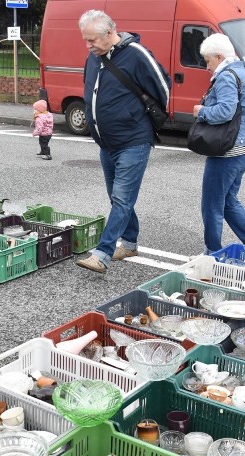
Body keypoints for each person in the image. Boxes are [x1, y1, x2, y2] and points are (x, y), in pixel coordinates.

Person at [75, 10, 170, 274]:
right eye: (86, 40)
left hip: (134, 140)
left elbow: (163, 86)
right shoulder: (93, 57)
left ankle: (102, 254)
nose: (88, 45)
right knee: (118, 198)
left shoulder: (136, 54)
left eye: (92, 40)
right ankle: (129, 244)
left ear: (109, 33)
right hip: (107, 143)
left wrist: (138, 118)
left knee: (121, 198)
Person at [192, 34, 245, 255]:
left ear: (219, 56)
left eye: (208, 60)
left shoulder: (226, 76)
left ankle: (212, 252)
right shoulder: (244, 74)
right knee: (227, 201)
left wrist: (202, 111)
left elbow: (225, 111)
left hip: (227, 151)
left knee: (211, 205)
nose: (207, 66)